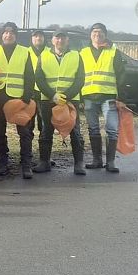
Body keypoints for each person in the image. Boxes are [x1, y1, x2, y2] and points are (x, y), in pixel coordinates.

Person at [0, 22, 36, 179]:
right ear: (2, 35)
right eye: (6, 33)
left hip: (18, 97)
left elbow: (30, 75)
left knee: (25, 132)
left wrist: (27, 96)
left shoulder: (24, 51)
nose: (8, 35)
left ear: (16, 35)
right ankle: (3, 163)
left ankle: (26, 164)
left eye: (11, 33)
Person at [34, 31, 86, 175]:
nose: (60, 40)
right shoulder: (44, 56)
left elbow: (80, 79)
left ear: (67, 40)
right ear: (52, 40)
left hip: (71, 100)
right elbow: (39, 78)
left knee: (75, 131)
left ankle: (79, 164)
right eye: (57, 38)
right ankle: (44, 162)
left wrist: (66, 96)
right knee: (46, 131)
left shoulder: (76, 56)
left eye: (63, 38)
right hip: (48, 100)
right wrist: (53, 95)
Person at [80, 22, 127, 173]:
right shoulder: (83, 52)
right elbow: (79, 75)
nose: (97, 35)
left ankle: (110, 162)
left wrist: (122, 98)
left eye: (100, 32)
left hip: (109, 96)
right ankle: (97, 160)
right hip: (89, 96)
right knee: (93, 129)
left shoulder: (113, 52)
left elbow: (121, 75)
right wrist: (79, 97)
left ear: (105, 35)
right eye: (94, 32)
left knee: (112, 129)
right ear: (90, 35)